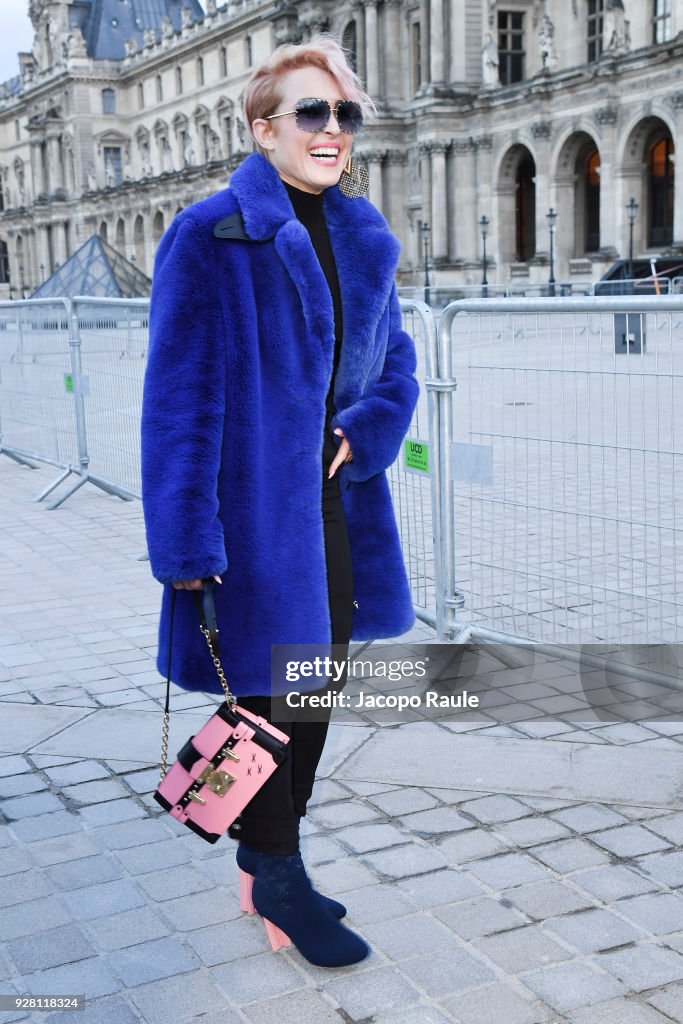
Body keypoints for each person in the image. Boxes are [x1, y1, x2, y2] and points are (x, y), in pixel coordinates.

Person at [141, 35, 419, 968]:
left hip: (338, 509)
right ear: (264, 130)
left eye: (344, 113)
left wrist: (370, 425)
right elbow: (177, 397)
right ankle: (278, 868)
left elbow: (398, 359)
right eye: (312, 112)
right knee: (266, 699)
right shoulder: (212, 231)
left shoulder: (361, 232)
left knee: (318, 686)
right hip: (250, 514)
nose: (332, 129)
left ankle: (269, 860)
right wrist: (183, 540)